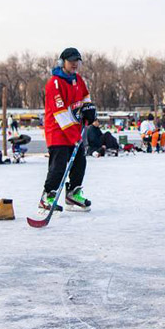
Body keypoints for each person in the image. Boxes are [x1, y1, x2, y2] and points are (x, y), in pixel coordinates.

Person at [40, 47, 96, 212]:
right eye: (71, 61)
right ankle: (47, 196)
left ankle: (73, 192)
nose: (74, 64)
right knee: (58, 165)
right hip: (57, 131)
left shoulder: (78, 79)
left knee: (80, 162)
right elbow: (60, 113)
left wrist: (89, 110)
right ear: (62, 62)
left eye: (77, 61)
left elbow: (86, 96)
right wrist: (74, 136)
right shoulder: (54, 83)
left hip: (75, 130)